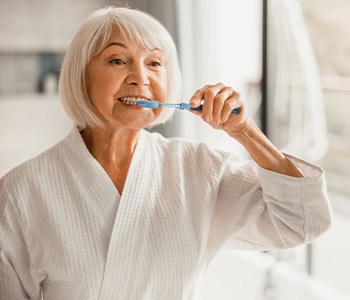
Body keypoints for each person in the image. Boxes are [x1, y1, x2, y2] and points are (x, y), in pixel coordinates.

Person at [0, 6, 332, 300]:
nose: (140, 78)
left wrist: (244, 130)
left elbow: (303, 222)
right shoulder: (21, 191)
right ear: (81, 76)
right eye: (118, 60)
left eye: (155, 63)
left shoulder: (200, 170)